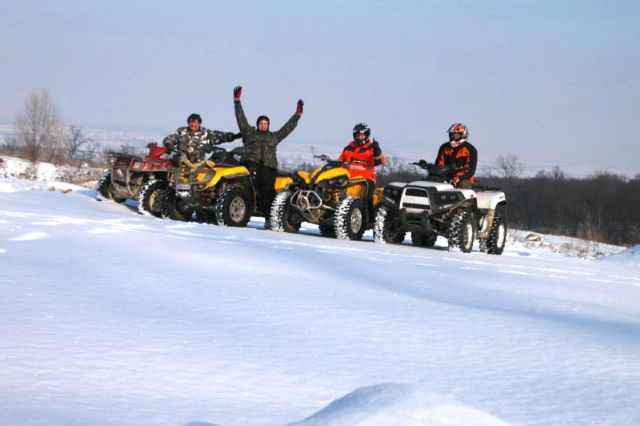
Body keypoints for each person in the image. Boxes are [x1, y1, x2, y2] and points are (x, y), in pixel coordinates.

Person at [232, 85, 303, 224]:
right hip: (251, 163)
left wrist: (297, 115)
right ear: (258, 124)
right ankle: (244, 209)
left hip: (268, 166)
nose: (263, 125)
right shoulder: (249, 133)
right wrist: (237, 101)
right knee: (250, 180)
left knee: (268, 186)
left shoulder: (274, 137)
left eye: (265, 123)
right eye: (261, 123)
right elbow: (241, 119)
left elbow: (287, 128)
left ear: (268, 125)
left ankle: (268, 215)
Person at [338, 123, 385, 216]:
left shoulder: (371, 148)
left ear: (366, 136)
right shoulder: (348, 148)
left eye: (362, 135)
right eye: (358, 135)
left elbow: (379, 161)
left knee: (367, 198)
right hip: (348, 178)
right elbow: (340, 162)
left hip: (366, 179)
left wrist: (377, 151)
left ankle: (369, 217)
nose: (359, 137)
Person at [162, 113, 239, 163]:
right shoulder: (182, 131)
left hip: (198, 164)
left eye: (195, 122)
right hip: (180, 161)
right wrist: (169, 144)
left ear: (199, 123)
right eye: (191, 122)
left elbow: (218, 136)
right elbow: (170, 138)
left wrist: (232, 136)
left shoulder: (205, 133)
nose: (193, 125)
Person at [435, 122, 477, 188]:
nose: (453, 138)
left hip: (463, 178)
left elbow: (470, 170)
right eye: (451, 135)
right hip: (446, 176)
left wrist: (458, 178)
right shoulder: (444, 147)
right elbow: (439, 164)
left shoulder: (470, 149)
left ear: (463, 135)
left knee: (462, 184)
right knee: (433, 182)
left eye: (456, 136)